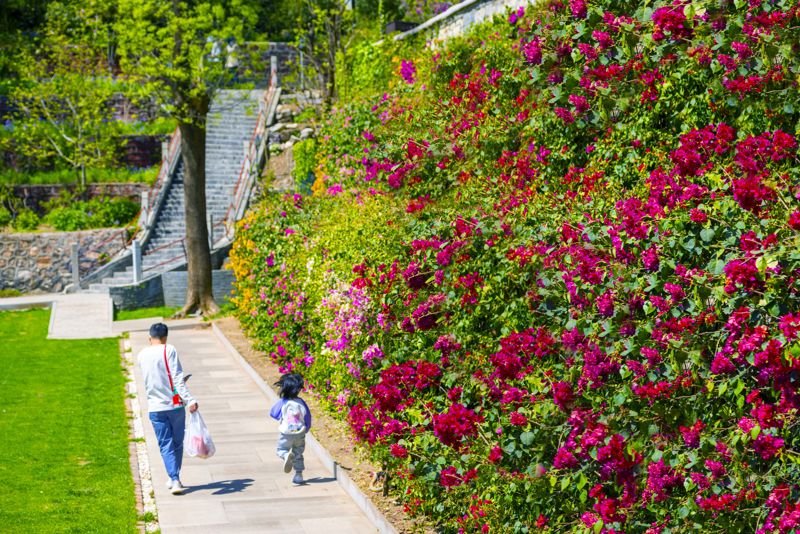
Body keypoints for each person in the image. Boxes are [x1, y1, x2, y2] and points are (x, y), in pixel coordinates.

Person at [137, 323, 198, 495]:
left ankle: (173, 477)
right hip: (174, 405)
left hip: (155, 407)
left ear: (150, 338)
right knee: (177, 442)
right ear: (165, 337)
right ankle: (175, 477)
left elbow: (153, 379)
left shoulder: (141, 355)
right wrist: (190, 399)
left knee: (165, 443)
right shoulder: (169, 349)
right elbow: (177, 379)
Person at [269, 373, 312, 485]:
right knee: (298, 453)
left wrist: (282, 417)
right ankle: (299, 475)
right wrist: (306, 428)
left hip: (286, 432)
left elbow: (273, 413)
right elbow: (308, 417)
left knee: (281, 450)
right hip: (300, 432)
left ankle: (285, 455)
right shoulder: (301, 402)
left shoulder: (283, 402)